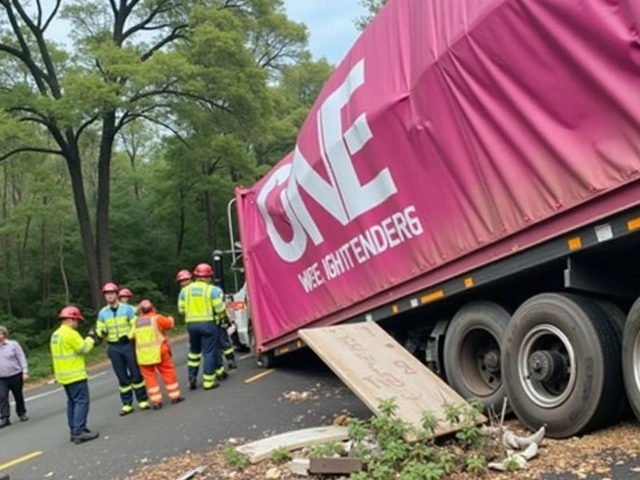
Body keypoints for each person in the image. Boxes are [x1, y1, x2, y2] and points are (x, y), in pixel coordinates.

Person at [96, 282, 150, 415]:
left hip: (127, 345)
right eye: (107, 294)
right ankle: (127, 403)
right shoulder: (103, 313)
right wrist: (99, 334)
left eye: (112, 293)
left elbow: (135, 324)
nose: (109, 296)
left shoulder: (127, 309)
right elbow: (100, 327)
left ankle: (142, 400)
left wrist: (129, 336)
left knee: (135, 373)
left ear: (116, 294)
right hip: (114, 346)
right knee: (121, 376)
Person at [50, 306, 100, 444]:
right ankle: (79, 431)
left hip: (63, 375)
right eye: (77, 320)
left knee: (72, 402)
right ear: (71, 319)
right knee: (81, 402)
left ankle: (75, 430)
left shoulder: (56, 334)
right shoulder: (70, 334)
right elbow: (83, 348)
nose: (77, 324)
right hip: (75, 374)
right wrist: (90, 338)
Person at [178, 263, 226, 390]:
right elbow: (220, 309)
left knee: (194, 352)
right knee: (209, 352)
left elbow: (181, 310)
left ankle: (192, 377)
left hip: (191, 325)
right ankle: (208, 381)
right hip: (208, 324)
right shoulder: (212, 290)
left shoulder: (185, 291)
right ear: (208, 277)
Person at [130, 300, 184, 410]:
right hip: (160, 352)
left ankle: (156, 402)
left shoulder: (136, 322)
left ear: (141, 310)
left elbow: (130, 336)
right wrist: (170, 319)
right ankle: (175, 397)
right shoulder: (157, 318)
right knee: (168, 373)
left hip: (143, 356)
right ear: (152, 308)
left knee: (150, 379)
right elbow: (169, 325)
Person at [0, 326, 29, 428]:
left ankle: (21, 413)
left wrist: (24, 371)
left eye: (0, 334)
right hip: (1, 377)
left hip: (15, 374)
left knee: (18, 394)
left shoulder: (13, 345)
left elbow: (21, 357)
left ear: (4, 335)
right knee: (2, 396)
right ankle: (5, 417)